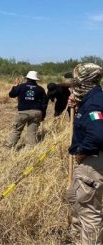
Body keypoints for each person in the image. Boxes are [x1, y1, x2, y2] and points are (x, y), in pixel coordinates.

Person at [66, 63, 103, 244]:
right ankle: (75, 238)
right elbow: (86, 125)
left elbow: (97, 134)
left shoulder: (95, 102)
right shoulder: (89, 99)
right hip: (88, 162)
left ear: (86, 80)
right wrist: (77, 106)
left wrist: (82, 152)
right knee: (74, 199)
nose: (74, 84)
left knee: (89, 212)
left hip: (92, 162)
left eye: (77, 80)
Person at [5, 71, 48, 149]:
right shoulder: (40, 89)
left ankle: (9, 146)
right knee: (32, 132)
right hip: (36, 113)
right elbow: (44, 103)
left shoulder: (21, 86)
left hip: (23, 112)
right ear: (36, 79)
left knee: (17, 130)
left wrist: (15, 86)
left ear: (27, 78)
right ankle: (30, 149)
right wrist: (43, 115)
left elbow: (11, 94)